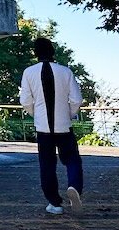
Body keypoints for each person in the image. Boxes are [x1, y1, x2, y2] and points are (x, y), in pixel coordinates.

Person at [19, 37, 85, 215]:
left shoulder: (29, 72)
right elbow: (77, 99)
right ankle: (74, 186)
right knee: (72, 159)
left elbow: (25, 100)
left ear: (36, 53)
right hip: (64, 125)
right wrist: (69, 113)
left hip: (43, 128)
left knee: (47, 164)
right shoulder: (65, 71)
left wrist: (36, 113)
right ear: (52, 51)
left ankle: (54, 203)